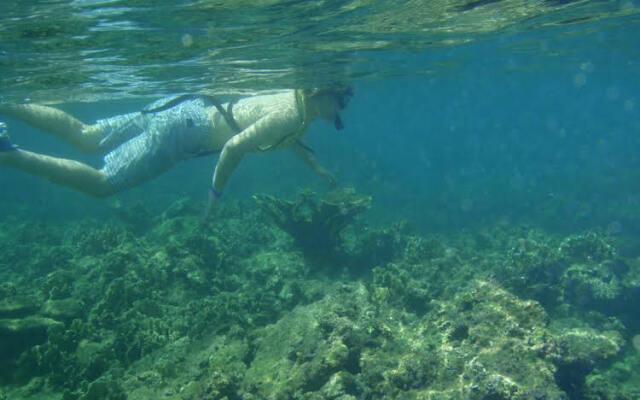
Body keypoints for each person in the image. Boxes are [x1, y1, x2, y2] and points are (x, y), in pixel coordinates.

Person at [0, 87, 353, 208]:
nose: (343, 110)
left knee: (86, 135)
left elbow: (284, 138)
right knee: (102, 184)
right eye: (342, 101)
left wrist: (317, 168)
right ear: (325, 94)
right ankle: (6, 153)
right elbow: (233, 148)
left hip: (181, 107)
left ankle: (7, 103)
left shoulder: (295, 105)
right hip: (185, 133)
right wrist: (216, 192)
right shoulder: (292, 115)